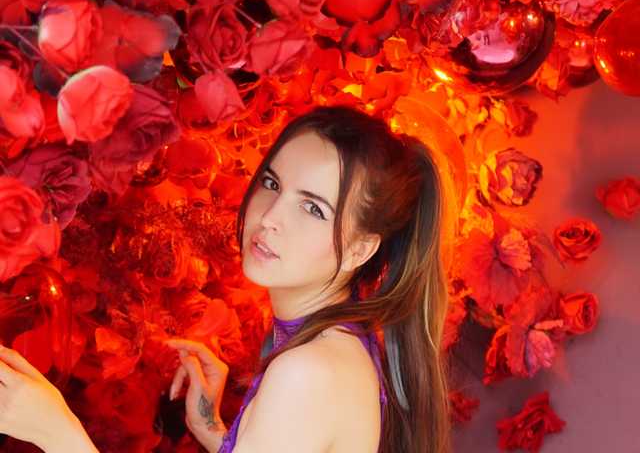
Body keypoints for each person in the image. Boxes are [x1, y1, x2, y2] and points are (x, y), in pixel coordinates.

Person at [0, 105, 452, 453]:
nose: (270, 217)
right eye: (273, 184)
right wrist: (217, 432)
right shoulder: (337, 343)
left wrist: (57, 431)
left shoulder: (309, 371)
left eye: (313, 208)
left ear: (361, 249)